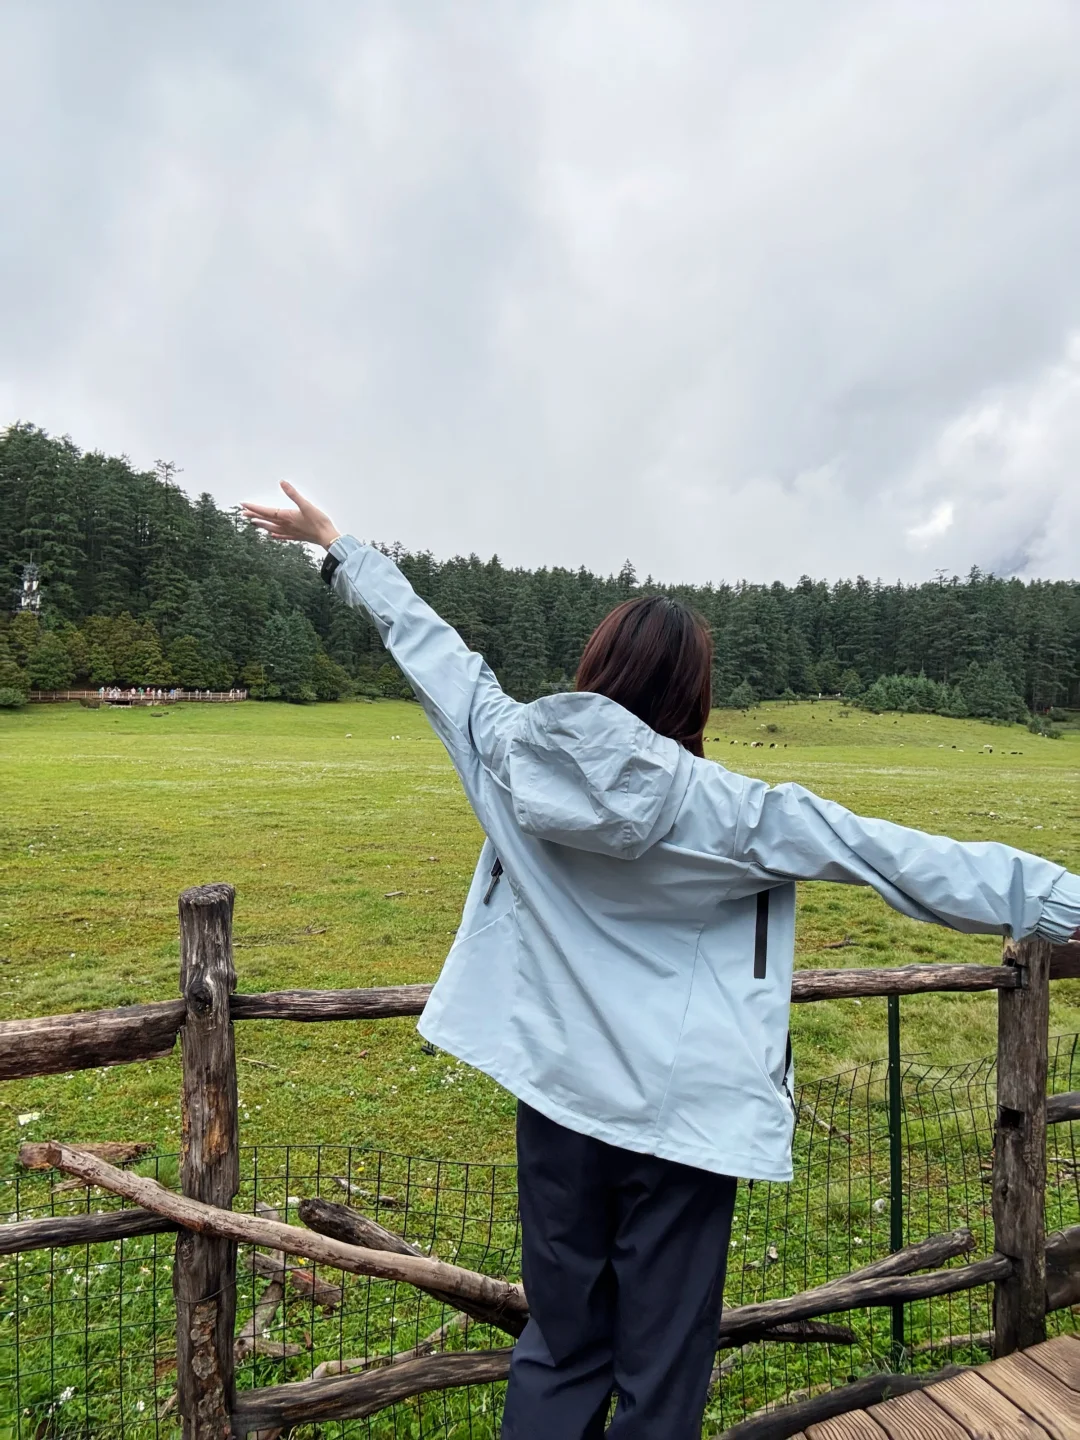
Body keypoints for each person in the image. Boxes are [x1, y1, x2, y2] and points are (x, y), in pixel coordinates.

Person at [242, 482, 1080, 1440]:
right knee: (663, 1363)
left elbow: (433, 648)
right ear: (694, 695)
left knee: (560, 1347)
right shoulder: (734, 812)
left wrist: (340, 547)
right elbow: (912, 860)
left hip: (558, 1105)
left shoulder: (505, 750)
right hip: (680, 1128)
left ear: (595, 667)